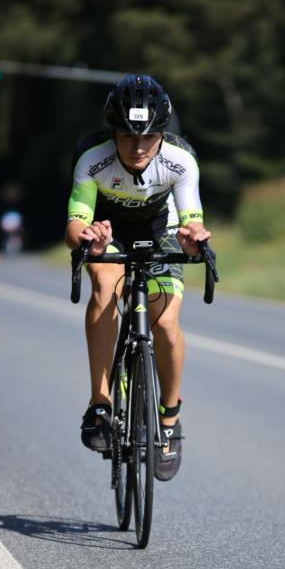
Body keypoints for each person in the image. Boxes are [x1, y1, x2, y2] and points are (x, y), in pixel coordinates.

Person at [65, 74, 211, 481]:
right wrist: (89, 236)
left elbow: (191, 221)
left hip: (161, 229)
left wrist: (193, 238)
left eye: (149, 137)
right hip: (106, 231)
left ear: (163, 134)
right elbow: (74, 225)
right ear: (113, 132)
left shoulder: (180, 159)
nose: (139, 146)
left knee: (165, 323)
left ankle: (170, 416)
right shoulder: (92, 159)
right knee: (104, 286)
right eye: (128, 136)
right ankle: (100, 403)